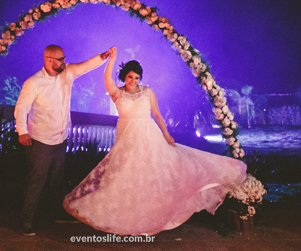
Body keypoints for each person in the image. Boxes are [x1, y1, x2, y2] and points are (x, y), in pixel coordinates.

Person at [63, 47, 246, 236]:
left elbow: (157, 114)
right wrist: (112, 58)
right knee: (125, 176)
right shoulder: (116, 93)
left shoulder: (147, 92)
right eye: (130, 77)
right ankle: (128, 215)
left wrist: (166, 135)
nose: (133, 81)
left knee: (153, 173)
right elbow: (107, 77)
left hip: (148, 136)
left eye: (137, 78)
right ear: (124, 77)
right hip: (126, 140)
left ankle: (152, 214)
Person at [14, 44, 112, 236]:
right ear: (49, 60)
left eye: (64, 58)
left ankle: (56, 213)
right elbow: (21, 108)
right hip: (40, 140)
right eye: (60, 59)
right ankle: (26, 221)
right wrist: (22, 131)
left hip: (61, 138)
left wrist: (103, 56)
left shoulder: (67, 73)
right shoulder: (34, 82)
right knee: (36, 181)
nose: (64, 62)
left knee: (56, 181)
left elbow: (85, 66)